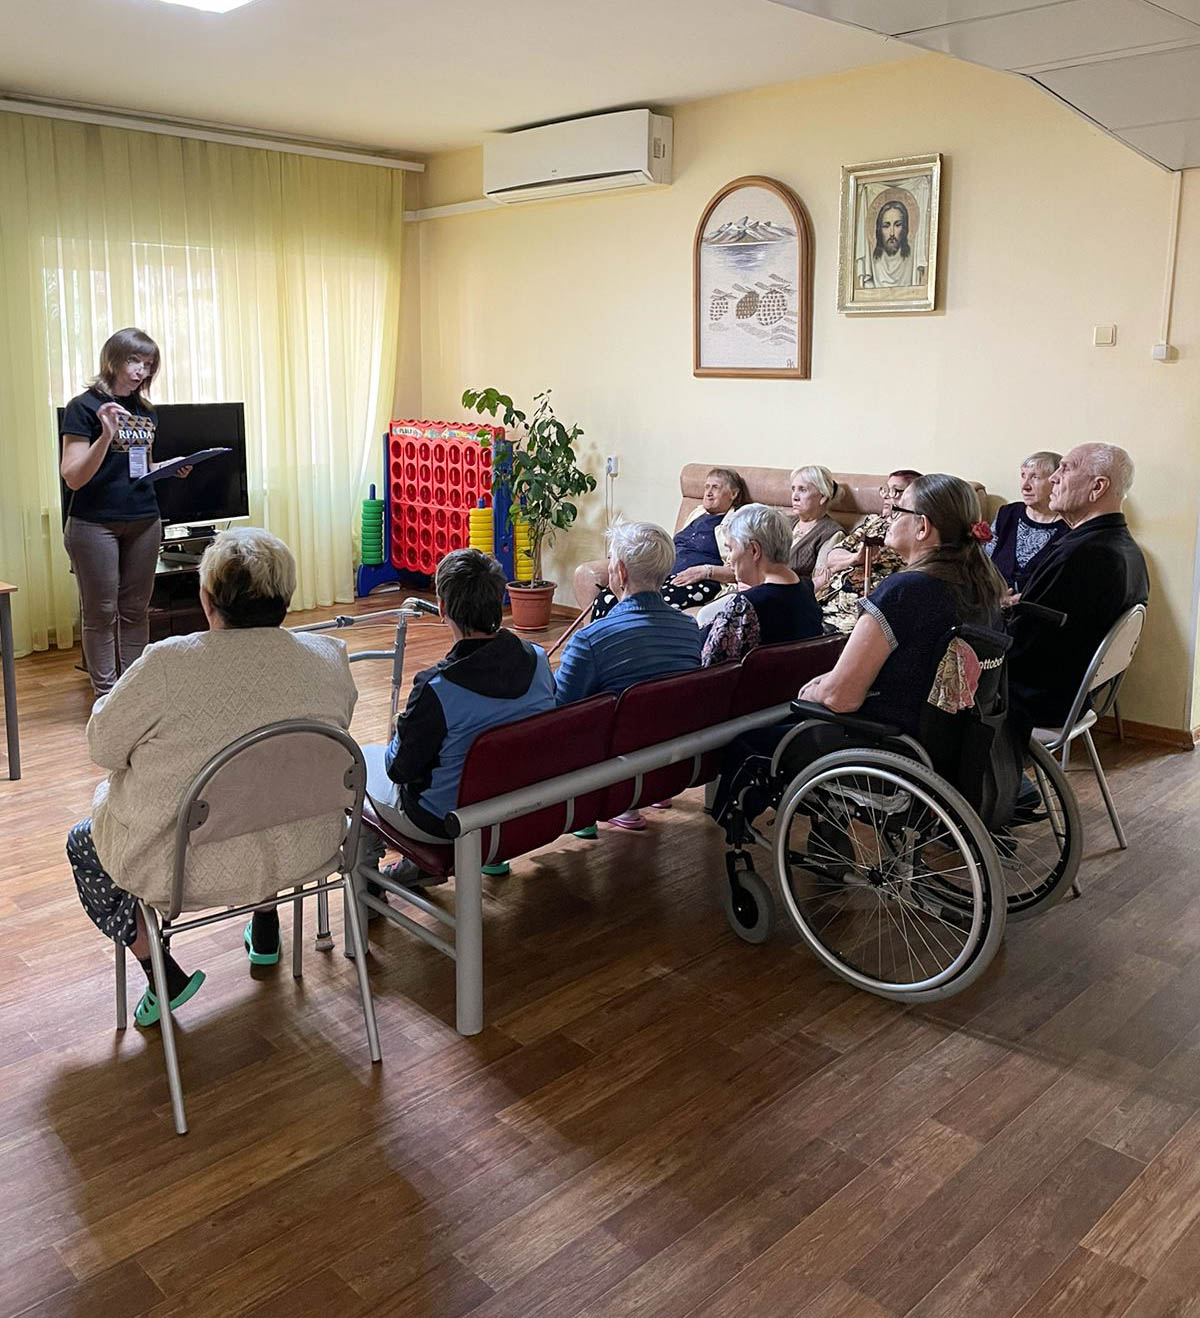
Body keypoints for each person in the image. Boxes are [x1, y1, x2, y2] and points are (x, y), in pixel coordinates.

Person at [66, 528, 357, 1026]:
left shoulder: (166, 665)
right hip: (306, 848)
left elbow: (103, 748)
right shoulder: (330, 659)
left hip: (184, 868)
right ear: (287, 598)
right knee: (272, 785)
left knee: (82, 844)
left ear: (206, 599)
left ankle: (158, 968)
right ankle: (265, 929)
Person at [713, 474, 1004, 822]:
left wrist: (814, 689)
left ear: (923, 527)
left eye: (898, 510)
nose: (890, 517)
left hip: (887, 748)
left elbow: (842, 698)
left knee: (749, 744)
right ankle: (828, 844)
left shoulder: (905, 591)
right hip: (951, 751)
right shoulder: (984, 588)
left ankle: (734, 844)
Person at [359, 548, 556, 885]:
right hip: (524, 806)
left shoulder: (437, 687)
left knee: (361, 761)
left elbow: (399, 769)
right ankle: (413, 870)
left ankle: (370, 892)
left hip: (447, 822)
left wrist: (399, 731)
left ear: (443, 608)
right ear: (498, 601)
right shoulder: (538, 659)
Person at [60, 328, 191, 696]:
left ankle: (134, 693)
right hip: (93, 524)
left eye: (148, 365)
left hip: (144, 520)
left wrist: (171, 466)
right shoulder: (83, 408)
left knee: (136, 610)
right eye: (135, 361)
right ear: (114, 360)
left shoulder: (144, 411)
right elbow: (73, 477)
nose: (141, 372)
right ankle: (106, 697)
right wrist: (105, 434)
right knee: (101, 613)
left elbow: (140, 467)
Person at [556, 520, 701, 829]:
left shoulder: (591, 639)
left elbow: (558, 713)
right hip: (672, 765)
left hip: (613, 770)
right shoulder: (690, 630)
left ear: (619, 571)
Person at [1007, 443, 1148, 733]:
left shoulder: (1086, 555)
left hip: (1037, 698)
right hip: (1074, 696)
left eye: (1066, 468)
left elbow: (1025, 647)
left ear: (1097, 487)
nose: (1054, 478)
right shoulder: (1121, 546)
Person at [585, 467, 748, 618]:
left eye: (715, 487)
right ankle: (602, 645)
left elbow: (741, 571)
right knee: (606, 598)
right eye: (706, 487)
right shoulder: (697, 513)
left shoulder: (737, 523)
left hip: (699, 582)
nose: (708, 493)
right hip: (666, 574)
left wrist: (705, 571)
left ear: (733, 494)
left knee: (649, 605)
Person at [701, 504, 823, 666]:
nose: (729, 559)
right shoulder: (806, 590)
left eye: (730, 549)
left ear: (754, 550)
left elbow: (709, 670)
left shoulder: (744, 606)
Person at [813, 469, 922, 634]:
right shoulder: (873, 521)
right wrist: (856, 558)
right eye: (886, 489)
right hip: (822, 603)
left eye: (897, 491)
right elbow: (833, 557)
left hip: (851, 617)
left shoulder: (914, 533)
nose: (887, 496)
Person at [985, 451, 1067, 592]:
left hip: (1038, 606)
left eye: (1035, 477)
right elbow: (984, 562)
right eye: (1023, 475)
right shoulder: (1007, 513)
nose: (1025, 486)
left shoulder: (1070, 526)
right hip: (992, 600)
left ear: (1056, 481)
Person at [787, 465, 843, 578]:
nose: (794, 496)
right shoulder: (784, 522)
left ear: (823, 497)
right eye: (793, 489)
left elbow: (820, 581)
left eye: (802, 489)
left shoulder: (831, 533)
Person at [860, 200, 926, 289]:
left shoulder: (914, 260)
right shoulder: (871, 264)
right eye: (886, 226)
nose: (892, 233)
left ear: (905, 228)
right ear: (879, 230)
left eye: (897, 225)